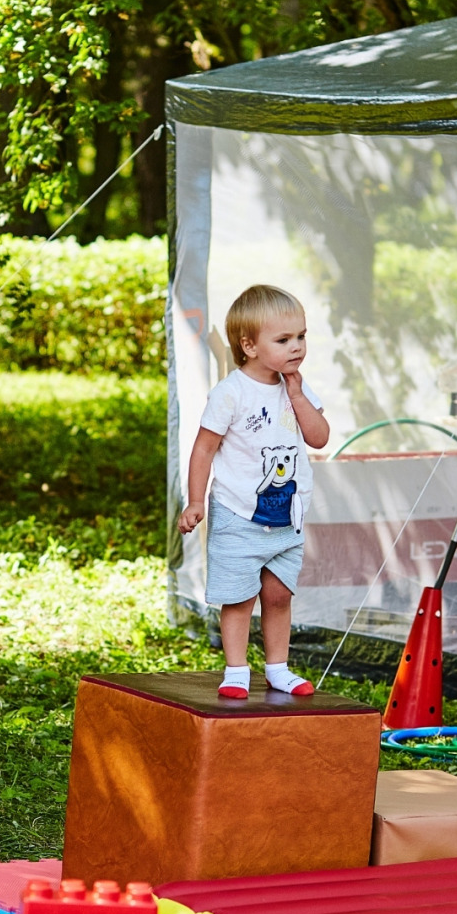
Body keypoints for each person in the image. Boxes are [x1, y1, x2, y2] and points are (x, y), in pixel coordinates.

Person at [178, 284, 329, 699]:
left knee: (278, 594)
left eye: (301, 336)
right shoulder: (231, 393)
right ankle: (237, 671)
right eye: (283, 340)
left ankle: (278, 668)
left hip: (286, 515)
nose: (296, 347)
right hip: (237, 512)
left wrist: (297, 395)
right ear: (249, 345)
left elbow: (319, 438)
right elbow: (204, 448)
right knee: (240, 596)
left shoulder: (296, 387)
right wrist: (195, 501)